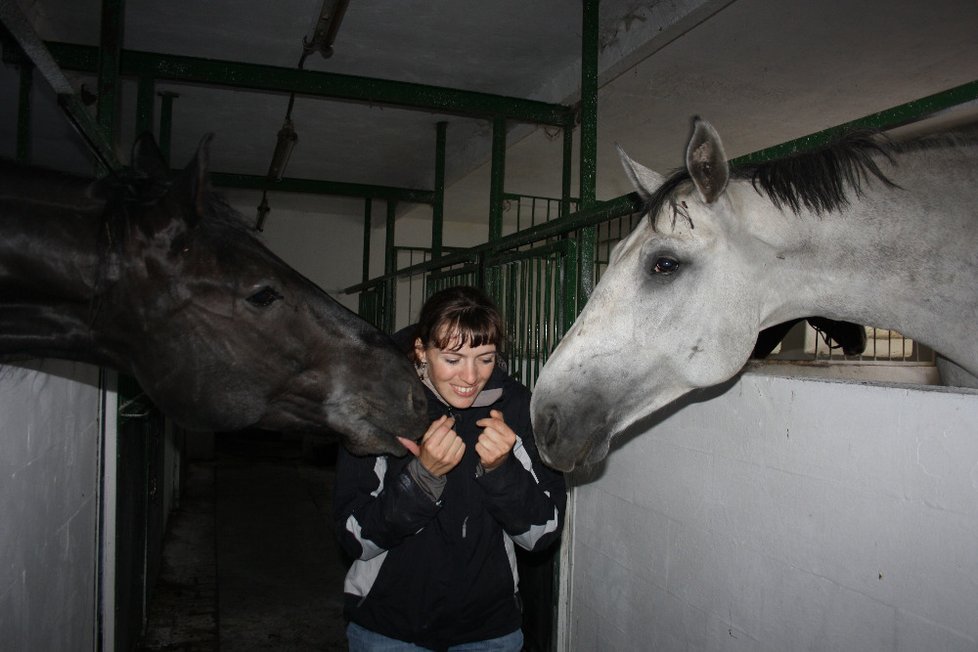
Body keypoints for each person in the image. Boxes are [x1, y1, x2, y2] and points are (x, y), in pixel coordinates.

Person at [334, 285, 566, 651]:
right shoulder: (382, 407)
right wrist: (421, 479)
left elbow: (542, 535)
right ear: (422, 351)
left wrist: (502, 471)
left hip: (489, 633)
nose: (471, 377)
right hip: (389, 630)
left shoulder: (518, 409)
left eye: (486, 358)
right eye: (453, 359)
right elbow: (353, 537)